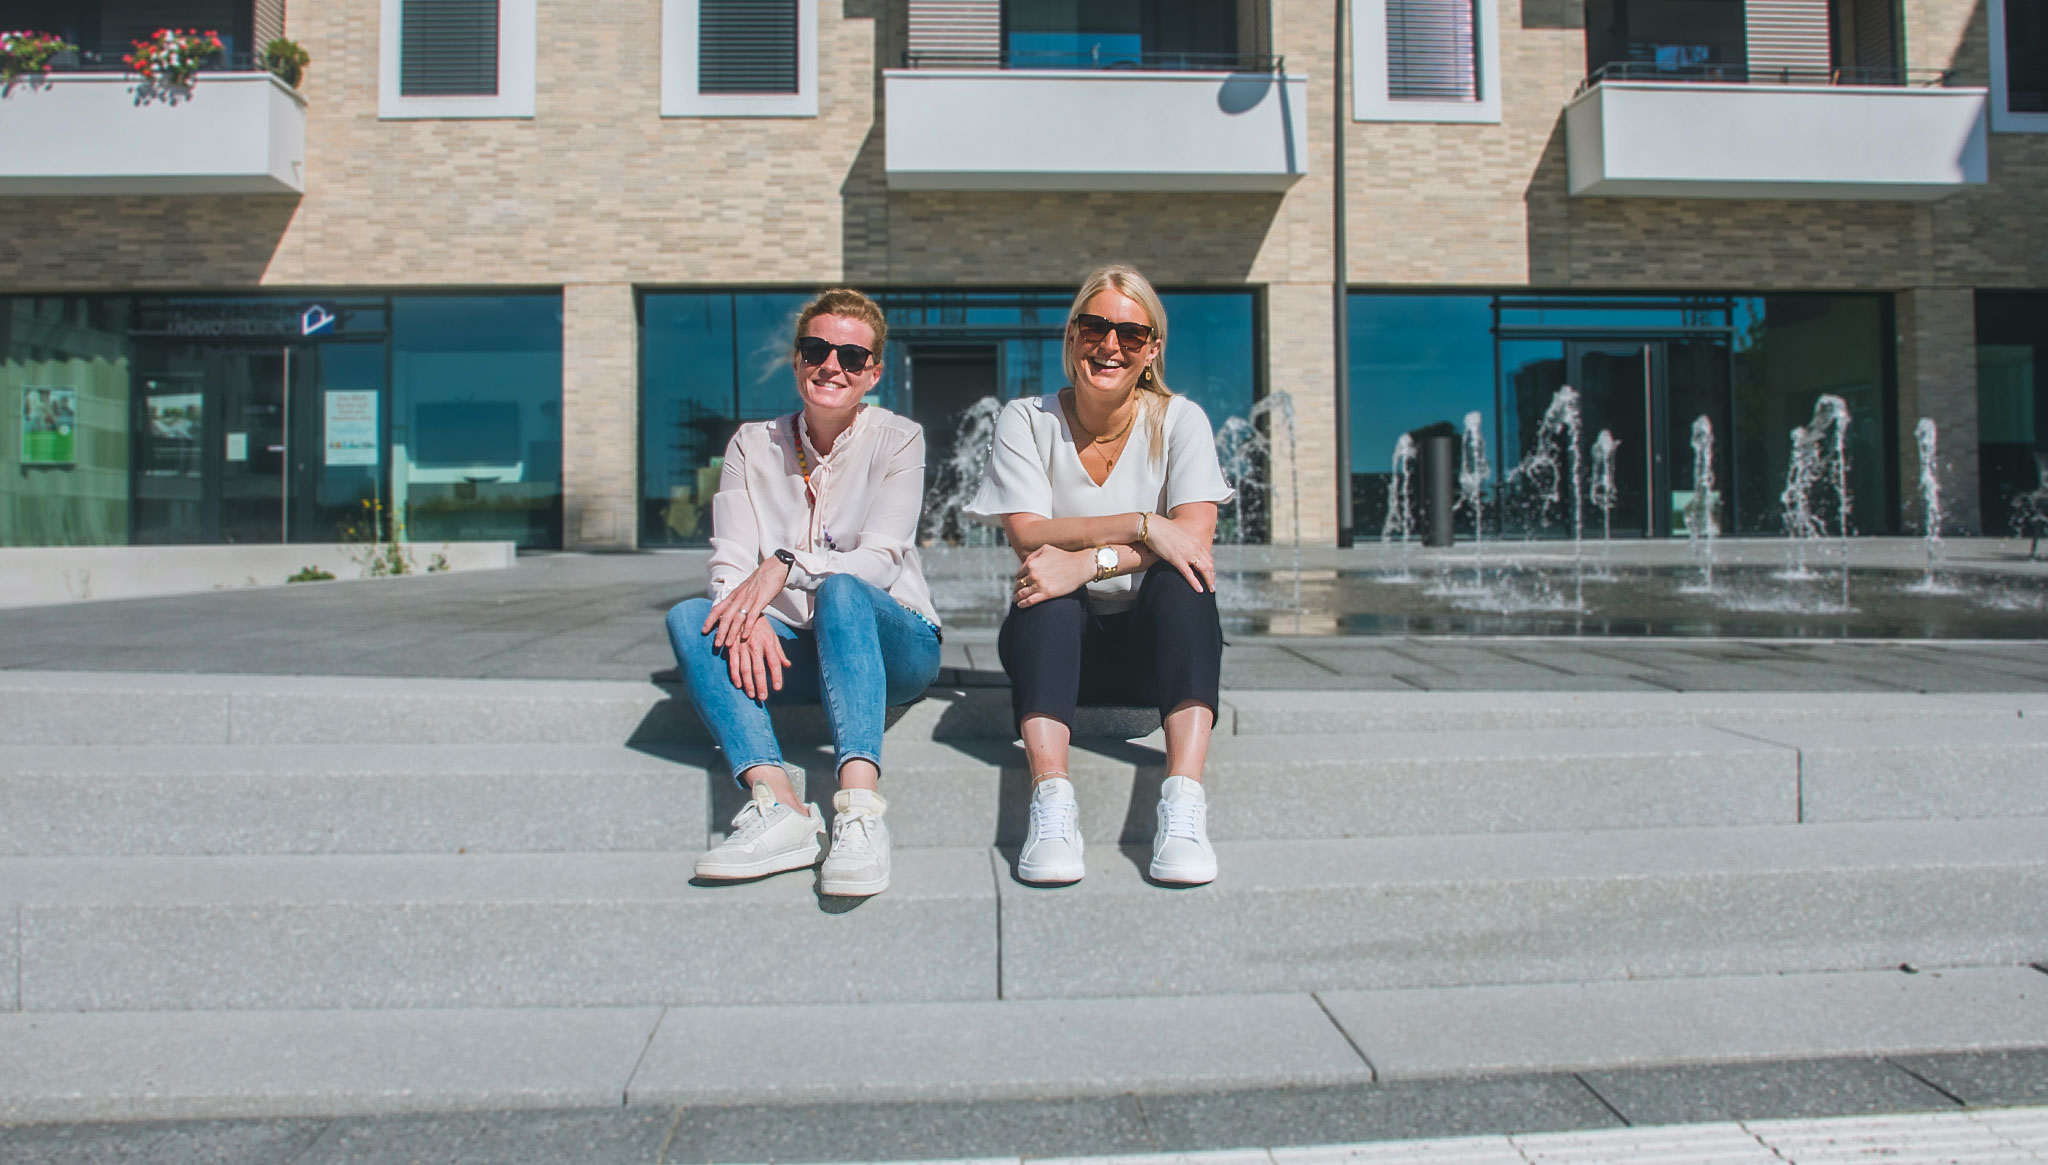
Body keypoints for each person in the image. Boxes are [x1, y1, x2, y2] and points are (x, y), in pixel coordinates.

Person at [665, 288, 941, 897]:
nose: (831, 365)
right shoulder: (750, 443)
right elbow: (732, 559)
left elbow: (882, 558)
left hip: (897, 644)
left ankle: (860, 813)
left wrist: (787, 566)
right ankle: (780, 804)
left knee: (843, 587)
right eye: (816, 349)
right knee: (692, 618)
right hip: (801, 649)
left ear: (872, 373)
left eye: (850, 356)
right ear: (796, 360)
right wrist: (742, 612)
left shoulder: (899, 439)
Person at [967, 264, 1233, 886]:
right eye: (1095, 326)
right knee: (1047, 586)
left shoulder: (1179, 421)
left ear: (1151, 351)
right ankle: (1052, 801)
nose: (1109, 345)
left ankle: (1183, 803)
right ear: (1072, 336)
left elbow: (1193, 545)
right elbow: (1029, 533)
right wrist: (1145, 524)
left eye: (1131, 335)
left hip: (1154, 651)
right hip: (1056, 650)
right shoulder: (1026, 419)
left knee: (1182, 583)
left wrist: (1090, 560)